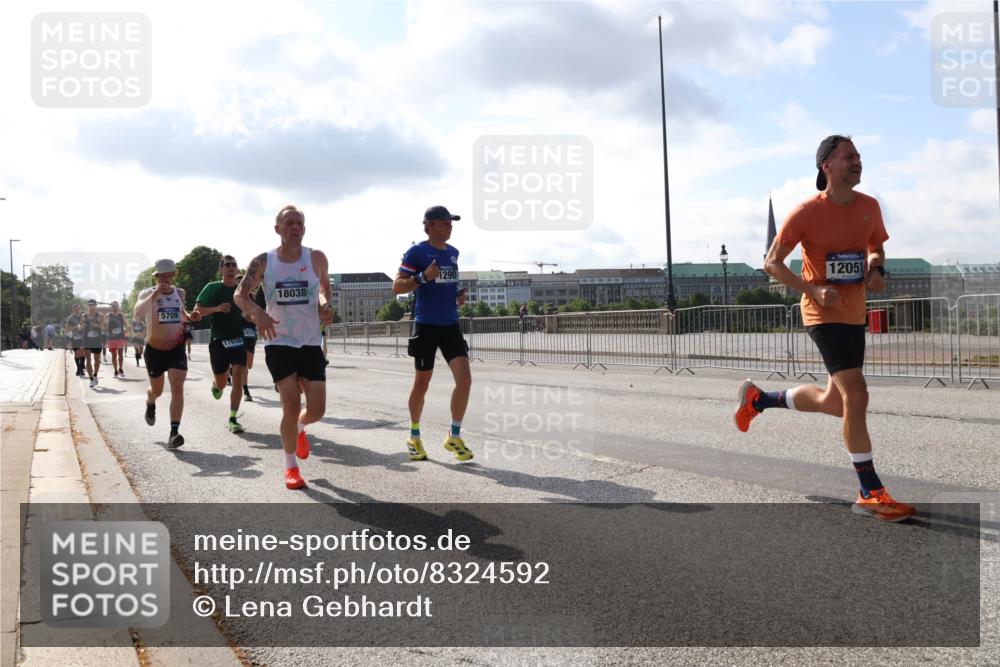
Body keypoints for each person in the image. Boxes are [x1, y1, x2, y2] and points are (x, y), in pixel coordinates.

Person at [736, 134, 915, 522]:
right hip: (821, 314)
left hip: (853, 313)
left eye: (859, 156)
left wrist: (876, 270)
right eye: (848, 156)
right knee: (857, 394)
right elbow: (772, 263)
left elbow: (876, 247)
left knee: (837, 403)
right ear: (826, 166)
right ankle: (870, 492)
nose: (857, 161)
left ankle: (758, 400)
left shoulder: (869, 207)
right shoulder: (807, 212)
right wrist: (812, 289)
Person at [234, 205, 334, 490]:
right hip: (278, 341)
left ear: (304, 228)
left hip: (310, 341)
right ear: (278, 229)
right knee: (290, 405)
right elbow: (240, 295)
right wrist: (259, 314)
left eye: (299, 223)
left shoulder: (316, 258)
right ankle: (291, 467)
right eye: (289, 223)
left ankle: (301, 428)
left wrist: (325, 306)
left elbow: (324, 289)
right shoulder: (264, 262)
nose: (295, 227)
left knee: (317, 410)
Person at [392, 205, 473, 463]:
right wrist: (422, 277)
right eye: (445, 222)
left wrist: (457, 296)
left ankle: (454, 435)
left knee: (465, 380)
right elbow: (397, 286)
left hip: (450, 325)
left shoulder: (453, 253)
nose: (450, 227)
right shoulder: (417, 252)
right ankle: (414, 436)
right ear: (429, 225)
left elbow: (444, 284)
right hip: (426, 325)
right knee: (422, 383)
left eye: (451, 223)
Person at [134, 259, 202, 448]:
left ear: (173, 274)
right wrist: (155, 294)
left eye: (169, 274)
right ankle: (150, 401)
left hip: (176, 348)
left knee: (177, 386)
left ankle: (174, 433)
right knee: (157, 391)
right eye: (162, 274)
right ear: (156, 276)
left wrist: (191, 317)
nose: (166, 277)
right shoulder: (147, 293)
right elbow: (138, 312)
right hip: (154, 350)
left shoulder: (179, 293)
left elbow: (182, 315)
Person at [193, 255, 248, 433]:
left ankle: (232, 418)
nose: (231, 267)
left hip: (238, 339)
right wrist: (217, 308)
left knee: (238, 376)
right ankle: (216, 385)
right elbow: (198, 310)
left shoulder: (242, 290)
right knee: (222, 383)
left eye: (234, 264)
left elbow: (250, 310)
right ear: (221, 269)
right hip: (218, 341)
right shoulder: (212, 288)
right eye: (227, 264)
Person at [81, 299, 106, 387]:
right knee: (88, 360)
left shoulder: (100, 316)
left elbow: (104, 327)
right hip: (87, 340)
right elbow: (81, 327)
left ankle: (95, 375)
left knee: (97, 360)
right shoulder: (84, 316)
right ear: (87, 306)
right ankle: (91, 379)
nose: (91, 306)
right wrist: (82, 326)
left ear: (96, 306)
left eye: (93, 305)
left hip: (97, 340)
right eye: (90, 305)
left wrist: (97, 325)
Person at [106, 301, 128, 377]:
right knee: (114, 355)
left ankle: (120, 369)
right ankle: (115, 370)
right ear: (111, 307)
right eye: (113, 306)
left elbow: (126, 324)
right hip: (111, 339)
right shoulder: (108, 316)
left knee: (120, 354)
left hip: (120, 337)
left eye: (116, 306)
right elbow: (105, 325)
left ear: (118, 307)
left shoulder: (122, 315)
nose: (114, 307)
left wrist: (126, 329)